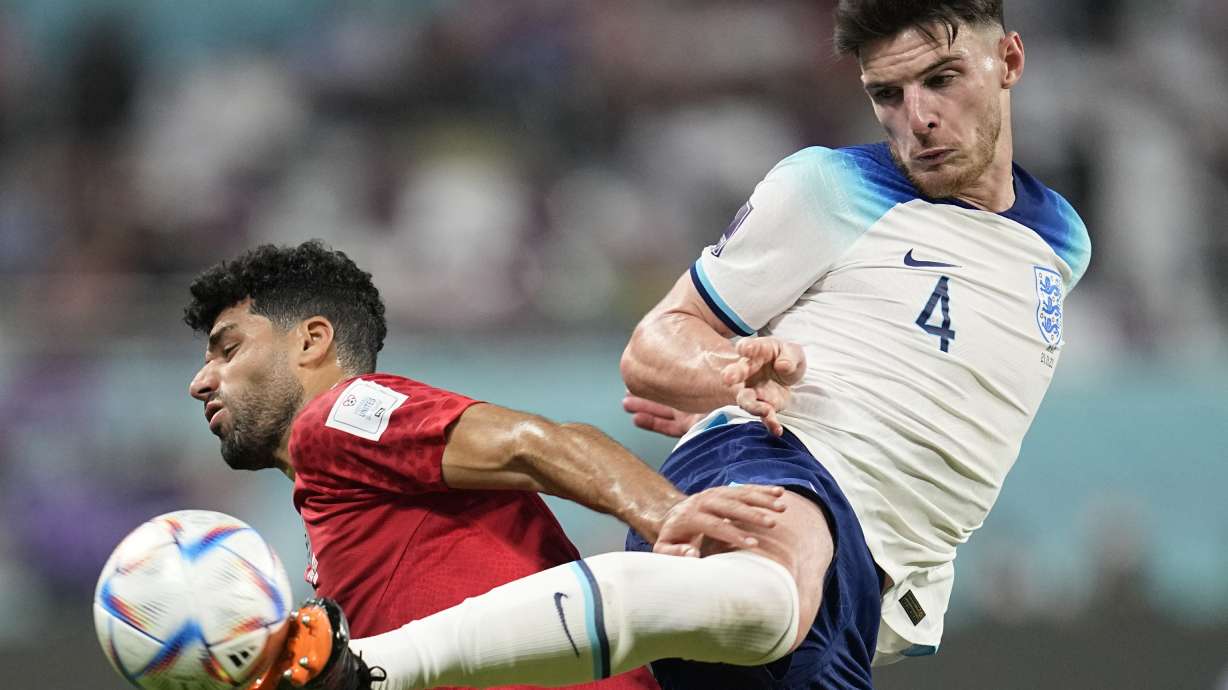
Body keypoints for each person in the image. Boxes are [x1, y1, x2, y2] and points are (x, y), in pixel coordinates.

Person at [256, 0, 1092, 688]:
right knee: (765, 594)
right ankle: (360, 667)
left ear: (1010, 62)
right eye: (888, 94)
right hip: (775, 465)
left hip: (863, 588)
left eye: (941, 80)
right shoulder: (828, 187)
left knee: (772, 614)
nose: (919, 118)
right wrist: (729, 371)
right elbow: (656, 345)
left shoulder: (1062, 244)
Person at [183, 240, 791, 690]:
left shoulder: (338, 417)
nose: (200, 382)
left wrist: (669, 515)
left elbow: (534, 442)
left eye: (228, 348)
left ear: (312, 341)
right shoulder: (339, 499)